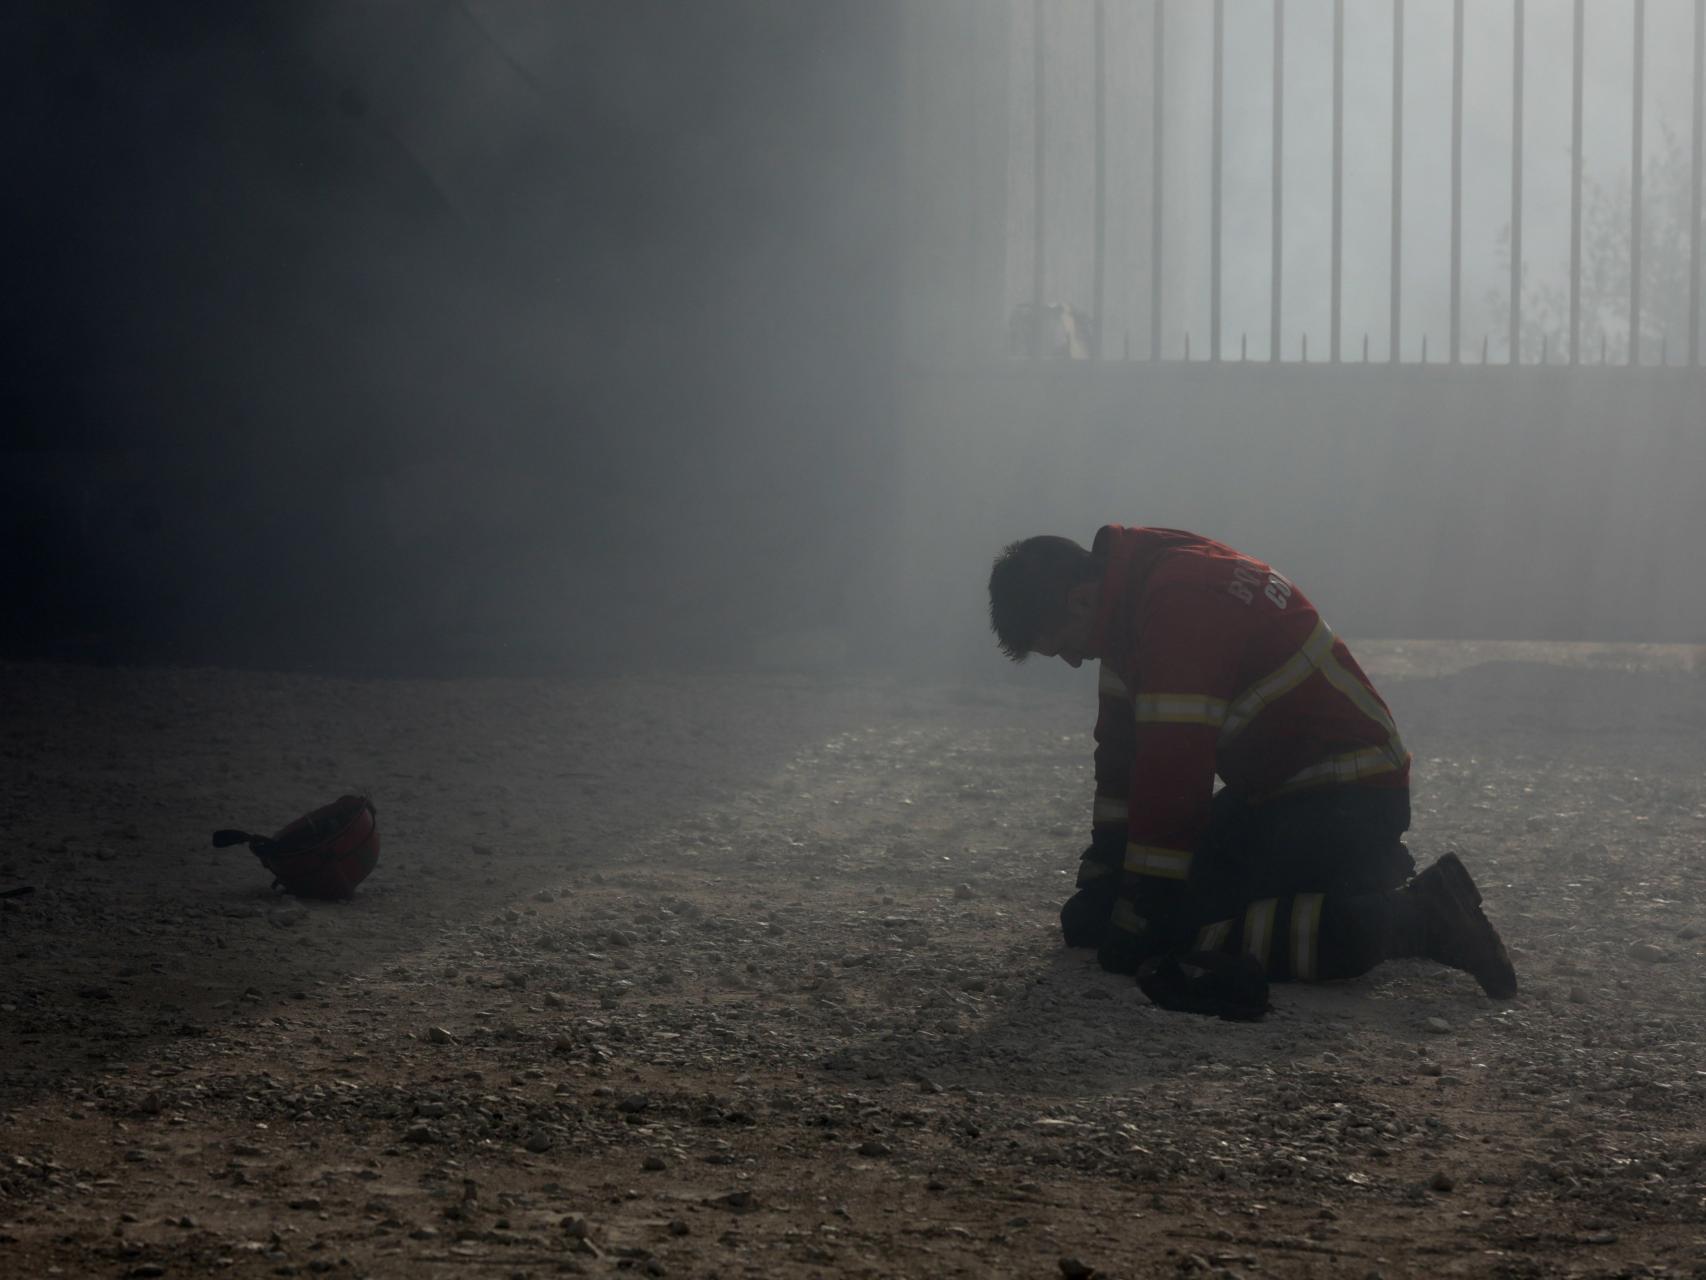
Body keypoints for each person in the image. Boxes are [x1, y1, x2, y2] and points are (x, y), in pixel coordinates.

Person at [987, 526, 1517, 1004]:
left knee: (1176, 933)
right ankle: (1365, 875)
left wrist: (1144, 908)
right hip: (1291, 795)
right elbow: (1122, 762)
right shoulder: (1140, 592)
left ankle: (1414, 920)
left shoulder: (1177, 606)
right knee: (1099, 922)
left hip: (1346, 796)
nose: (1074, 661)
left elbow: (1173, 774)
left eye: (1062, 648)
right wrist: (1106, 877)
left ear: (1081, 603)